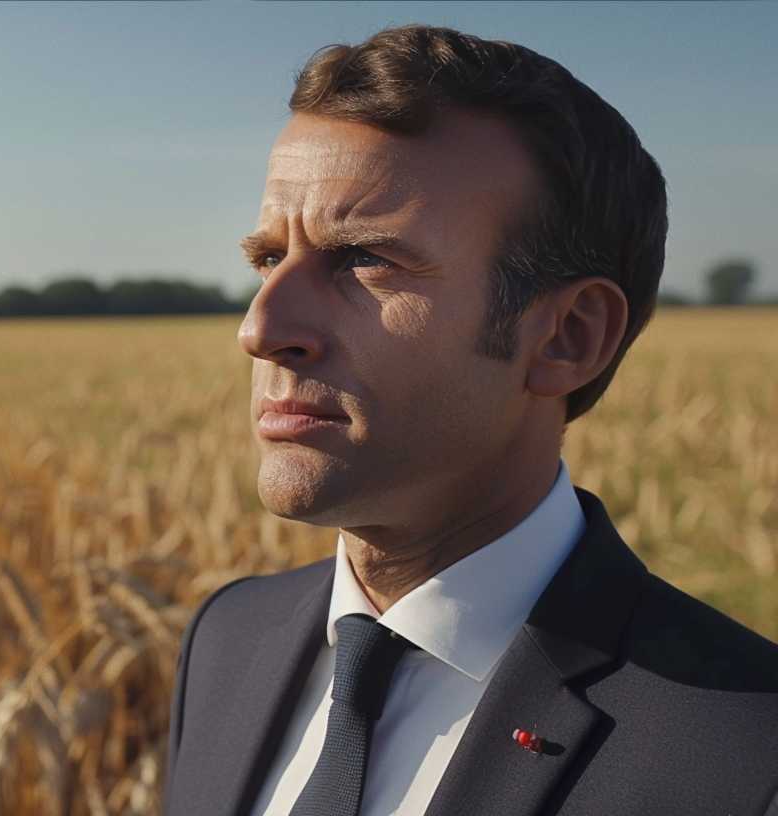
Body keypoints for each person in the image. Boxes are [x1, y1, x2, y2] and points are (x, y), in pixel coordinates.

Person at [162, 24, 778, 816]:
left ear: (568, 336)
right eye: (269, 258)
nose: (259, 329)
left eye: (363, 259)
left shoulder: (744, 756)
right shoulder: (225, 639)